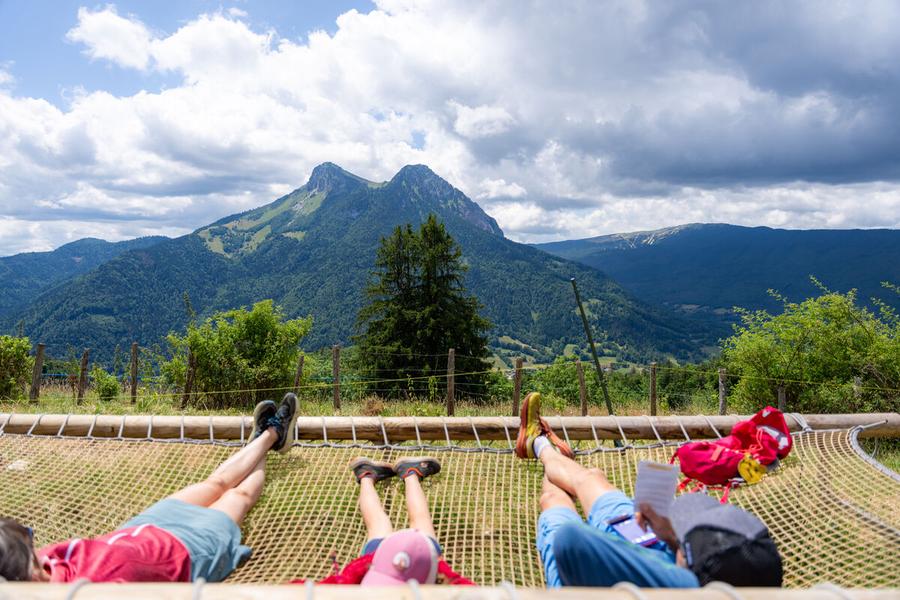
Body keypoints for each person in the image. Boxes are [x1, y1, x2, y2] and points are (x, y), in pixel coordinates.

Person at [0, 393, 299, 583]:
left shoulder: (39, 562)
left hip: (143, 529)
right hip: (187, 554)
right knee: (238, 496)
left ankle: (265, 437)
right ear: (28, 569)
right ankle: (272, 435)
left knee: (215, 483)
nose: (36, 544)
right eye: (28, 540)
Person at [515, 391, 783, 588]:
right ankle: (545, 448)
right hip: (650, 542)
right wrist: (672, 539)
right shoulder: (733, 581)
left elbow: (570, 541)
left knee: (553, 499)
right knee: (591, 477)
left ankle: (541, 445)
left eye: (684, 536)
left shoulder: (676, 588)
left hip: (583, 576)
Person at [291, 456, 473, 586]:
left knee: (387, 523)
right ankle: (387, 475)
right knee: (407, 522)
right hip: (419, 559)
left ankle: (386, 476)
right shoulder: (437, 576)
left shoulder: (366, 569)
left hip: (379, 557)